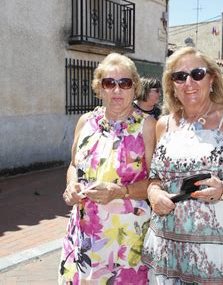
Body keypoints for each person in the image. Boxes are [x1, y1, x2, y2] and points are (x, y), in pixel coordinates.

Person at [142, 47, 223, 283]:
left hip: (217, 245)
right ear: (172, 85)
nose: (189, 82)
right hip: (169, 242)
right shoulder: (163, 124)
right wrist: (154, 192)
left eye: (197, 74)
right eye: (180, 76)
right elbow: (155, 177)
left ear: (211, 79)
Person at [59, 53, 156, 284]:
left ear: (135, 88)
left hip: (126, 239)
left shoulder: (147, 126)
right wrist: (70, 185)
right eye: (109, 83)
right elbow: (74, 165)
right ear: (99, 89)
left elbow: (158, 182)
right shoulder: (85, 122)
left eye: (124, 83)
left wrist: (121, 191)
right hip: (82, 236)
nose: (117, 90)